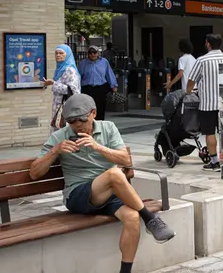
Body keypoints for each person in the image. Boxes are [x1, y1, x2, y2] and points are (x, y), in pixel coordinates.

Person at [29, 95, 175, 273]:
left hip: (108, 193)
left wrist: (97, 147)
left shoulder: (108, 128)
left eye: (81, 119)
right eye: (71, 121)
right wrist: (55, 150)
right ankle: (150, 219)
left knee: (132, 218)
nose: (77, 125)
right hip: (78, 194)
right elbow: (34, 173)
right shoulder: (59, 137)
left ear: (93, 113)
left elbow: (124, 159)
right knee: (114, 174)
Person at [185, 34, 223, 171]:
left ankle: (214, 162)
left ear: (208, 44)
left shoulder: (202, 60)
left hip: (207, 105)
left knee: (210, 133)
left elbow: (191, 80)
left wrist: (188, 91)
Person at [42, 44, 81, 132]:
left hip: (67, 108)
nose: (58, 55)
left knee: (64, 133)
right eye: (56, 53)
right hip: (58, 106)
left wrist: (53, 83)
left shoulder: (70, 70)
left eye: (61, 53)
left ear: (67, 55)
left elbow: (73, 90)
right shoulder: (59, 69)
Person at [78, 45, 118, 121]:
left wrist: (114, 85)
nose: (92, 54)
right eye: (90, 52)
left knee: (100, 107)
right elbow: (79, 76)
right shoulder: (83, 63)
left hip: (101, 88)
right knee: (88, 108)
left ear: (98, 53)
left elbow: (109, 73)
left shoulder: (104, 62)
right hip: (87, 88)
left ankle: (100, 124)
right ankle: (89, 124)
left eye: (94, 52)